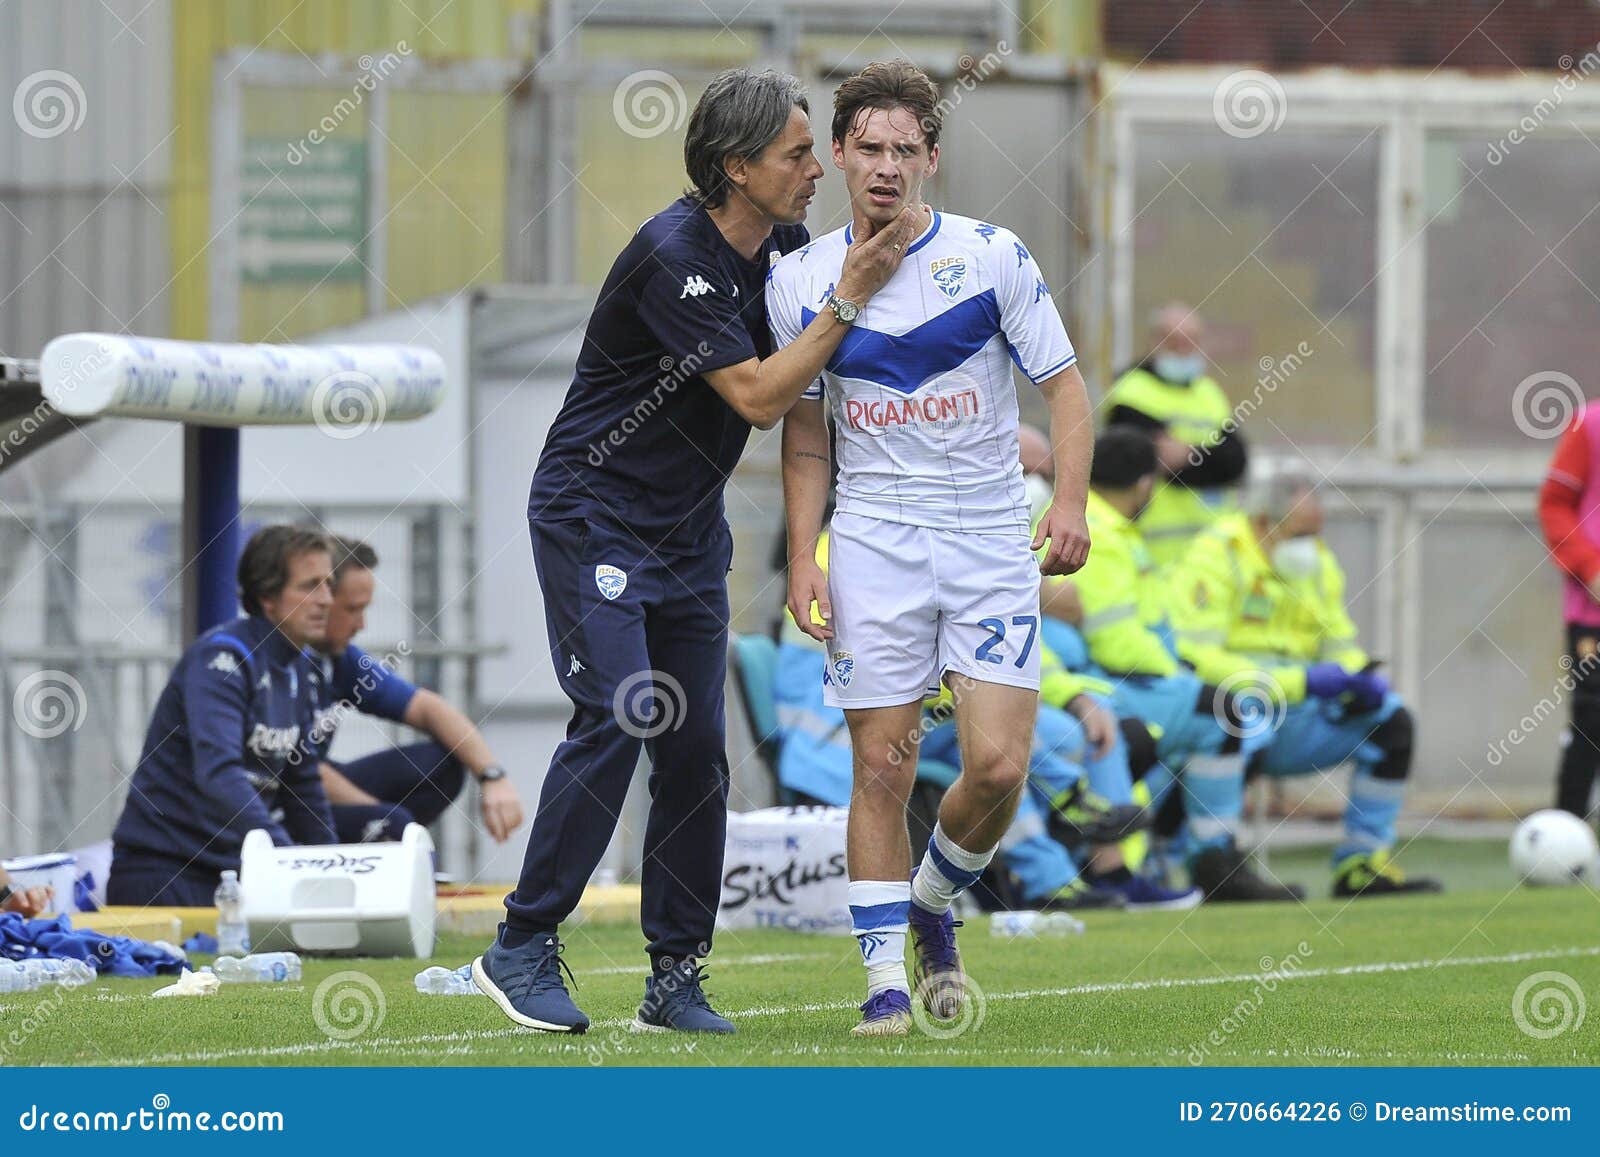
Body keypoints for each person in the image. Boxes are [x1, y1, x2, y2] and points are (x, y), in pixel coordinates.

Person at [474, 67, 925, 1037]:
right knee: (621, 710)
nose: (818, 170)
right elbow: (761, 397)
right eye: (797, 155)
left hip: (687, 532)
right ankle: (518, 943)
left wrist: (813, 547)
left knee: (696, 754)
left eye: (816, 150)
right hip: (594, 514)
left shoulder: (792, 250)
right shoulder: (675, 255)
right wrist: (846, 298)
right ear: (735, 168)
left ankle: (674, 975)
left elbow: (813, 394)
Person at [773, 60, 1093, 1037]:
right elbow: (804, 433)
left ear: (930, 158)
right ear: (836, 155)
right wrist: (801, 556)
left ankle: (931, 899)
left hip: (991, 536)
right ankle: (880, 983)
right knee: (882, 763)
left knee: (997, 765)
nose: (884, 166)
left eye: (902, 149)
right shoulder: (797, 279)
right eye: (866, 147)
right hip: (872, 539)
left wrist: (1070, 500)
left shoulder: (992, 255)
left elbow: (1066, 389)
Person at [1165, 473, 1441, 897]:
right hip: (1241, 705)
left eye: (1315, 533)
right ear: (1261, 521)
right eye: (1298, 533)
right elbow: (1198, 656)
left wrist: (1357, 676)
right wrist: (1300, 681)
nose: (1309, 546)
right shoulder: (1216, 553)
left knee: (1392, 722)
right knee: (1230, 718)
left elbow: (1337, 640)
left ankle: (1361, 863)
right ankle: (1215, 864)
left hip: (1298, 716)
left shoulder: (1317, 562)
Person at [1065, 427, 1300, 901]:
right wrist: (1175, 674)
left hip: (1114, 680)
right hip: (1111, 682)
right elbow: (1112, 637)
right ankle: (1213, 860)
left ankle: (1189, 855)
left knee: (1228, 721)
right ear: (1145, 484)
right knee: (1226, 713)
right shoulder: (1103, 534)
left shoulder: (1106, 527)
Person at [107, 526, 336, 907]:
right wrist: (284, 858)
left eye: (328, 585)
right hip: (163, 874)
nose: (326, 600)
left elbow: (302, 782)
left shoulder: (302, 668)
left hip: (231, 875)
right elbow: (219, 773)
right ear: (267, 597)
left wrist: (331, 869)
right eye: (310, 586)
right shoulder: (222, 659)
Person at [306, 537, 525, 845]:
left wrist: (493, 777)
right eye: (353, 609)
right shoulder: (280, 661)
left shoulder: (339, 659)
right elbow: (292, 767)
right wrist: (381, 816)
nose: (362, 624)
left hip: (313, 784)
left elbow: (428, 708)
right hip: (280, 801)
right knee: (396, 827)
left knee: (443, 765)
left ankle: (367, 847)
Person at [1101, 304, 1246, 569]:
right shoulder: (1132, 392)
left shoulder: (1208, 392)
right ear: (1155, 341)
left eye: (1192, 341)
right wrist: (1207, 459)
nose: (1184, 349)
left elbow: (1236, 461)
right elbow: (1148, 462)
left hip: (1212, 553)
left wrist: (1189, 455)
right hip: (1154, 551)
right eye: (1175, 341)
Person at [1537, 407, 1600, 819]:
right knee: (1591, 722)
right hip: (1592, 616)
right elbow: (1554, 505)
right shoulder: (1590, 425)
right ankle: (1566, 837)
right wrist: (1590, 568)